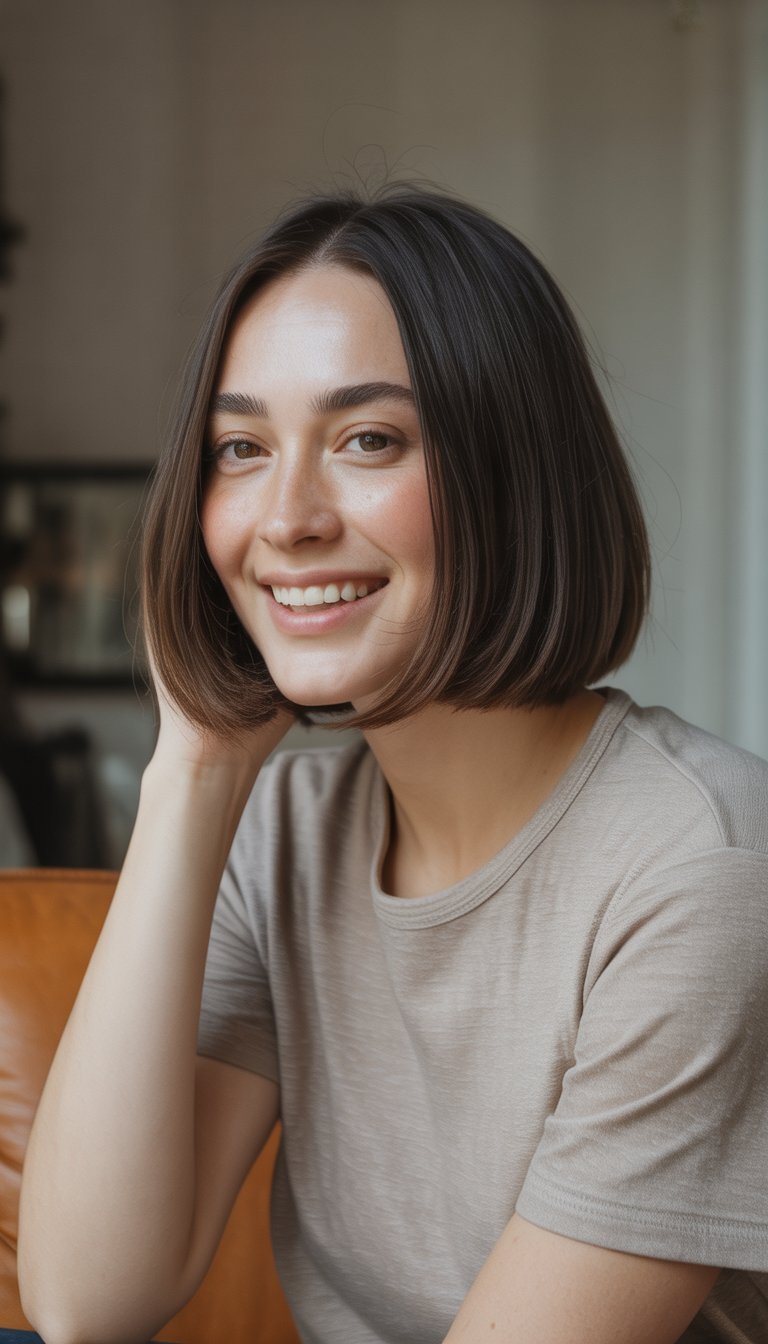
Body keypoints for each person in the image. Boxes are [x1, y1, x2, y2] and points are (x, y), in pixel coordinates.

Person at [18, 187, 768, 1344]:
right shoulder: (291, 828)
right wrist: (195, 772)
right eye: (241, 448)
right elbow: (85, 1300)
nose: (287, 517)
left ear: (514, 472)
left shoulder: (695, 872)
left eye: (369, 439)